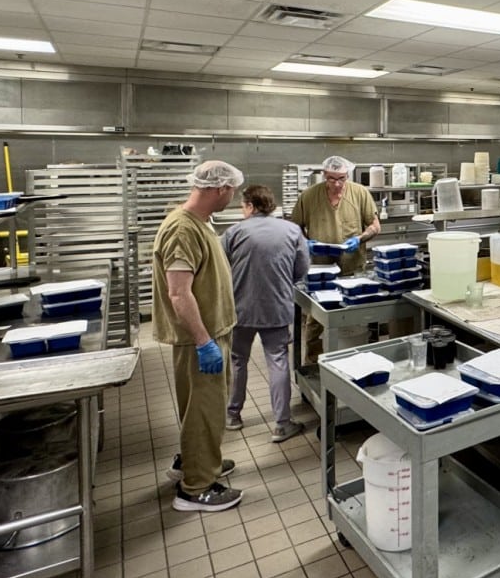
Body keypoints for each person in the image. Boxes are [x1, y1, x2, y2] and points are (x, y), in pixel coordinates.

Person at [152, 159, 244, 512]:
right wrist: (204, 341)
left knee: (206, 409)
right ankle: (196, 488)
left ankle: (198, 461)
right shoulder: (182, 229)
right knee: (202, 410)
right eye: (230, 191)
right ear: (219, 189)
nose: (232, 198)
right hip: (199, 339)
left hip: (213, 331)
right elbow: (179, 293)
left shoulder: (200, 222)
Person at [222, 184, 309, 443]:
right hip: (276, 306)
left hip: (240, 308)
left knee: (238, 361)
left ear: (249, 206)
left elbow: (222, 269)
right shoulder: (291, 230)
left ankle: (232, 416)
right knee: (278, 360)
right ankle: (282, 424)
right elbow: (302, 270)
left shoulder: (233, 232)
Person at [290, 155, 381, 363]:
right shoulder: (309, 196)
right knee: (316, 321)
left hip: (353, 268)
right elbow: (295, 227)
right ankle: (312, 365)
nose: (337, 184)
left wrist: (359, 239)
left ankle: (360, 361)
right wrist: (305, 242)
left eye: (342, 178)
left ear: (347, 175)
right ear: (324, 175)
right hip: (320, 271)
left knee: (357, 317)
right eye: (332, 179)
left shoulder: (360, 193)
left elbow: (375, 226)